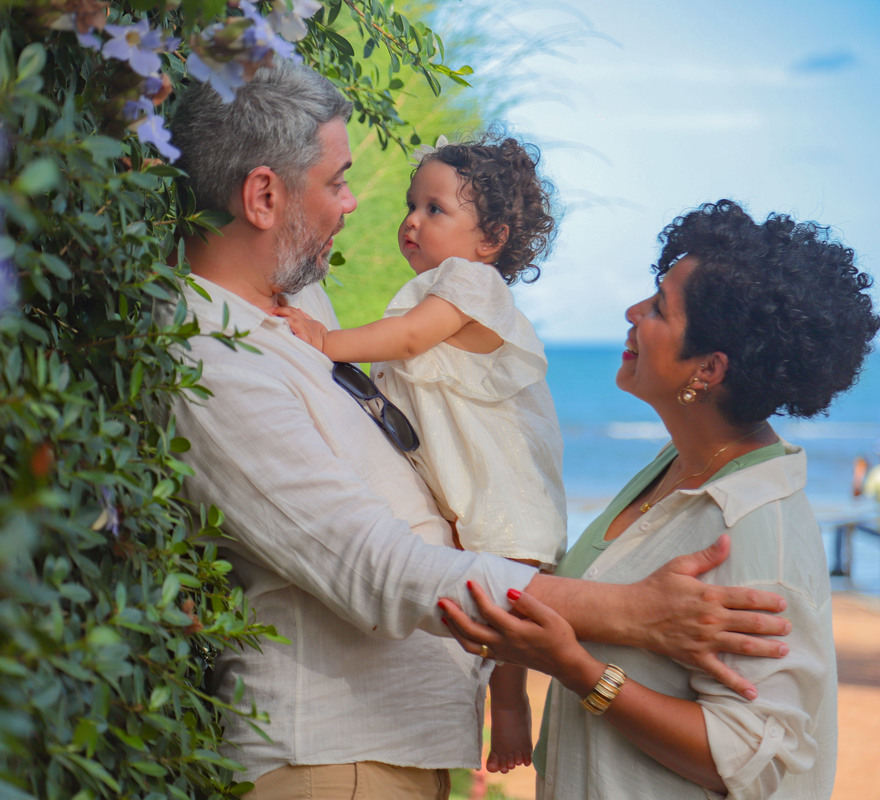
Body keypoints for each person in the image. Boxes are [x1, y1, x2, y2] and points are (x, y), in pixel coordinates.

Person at [167, 61, 789, 800]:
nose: (355, 203)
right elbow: (372, 566)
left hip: (388, 753)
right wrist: (629, 612)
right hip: (331, 760)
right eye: (336, 181)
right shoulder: (214, 353)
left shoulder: (295, 306)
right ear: (264, 196)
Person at [442, 200, 880, 799]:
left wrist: (576, 669)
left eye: (658, 309)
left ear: (708, 369)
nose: (631, 313)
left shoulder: (751, 525)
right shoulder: (676, 468)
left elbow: (751, 759)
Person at [275, 132, 564, 776]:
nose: (411, 221)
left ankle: (512, 709)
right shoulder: (440, 287)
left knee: (507, 608)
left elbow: (406, 341)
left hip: (503, 485)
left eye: (436, 210)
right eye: (412, 205)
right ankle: (506, 705)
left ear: (490, 239)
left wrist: (326, 339)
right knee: (497, 610)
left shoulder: (471, 282)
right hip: (469, 488)